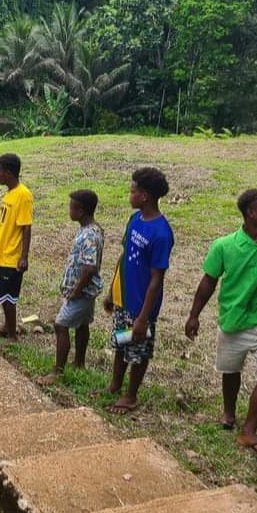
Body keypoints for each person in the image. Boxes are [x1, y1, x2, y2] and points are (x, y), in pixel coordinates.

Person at [185, 189, 257, 456]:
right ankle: (229, 413)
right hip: (234, 320)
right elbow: (208, 282)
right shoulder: (224, 245)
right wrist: (194, 315)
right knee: (230, 370)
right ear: (251, 214)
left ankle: (249, 430)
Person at [102, 167, 173, 414]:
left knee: (139, 350)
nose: (129, 195)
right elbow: (124, 256)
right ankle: (114, 385)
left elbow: (157, 279)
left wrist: (144, 317)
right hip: (124, 298)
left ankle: (131, 395)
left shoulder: (161, 233)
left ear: (145, 196)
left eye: (132, 191)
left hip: (142, 306)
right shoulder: (134, 220)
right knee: (122, 343)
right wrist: (113, 290)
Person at [39, 190, 104, 385]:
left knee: (61, 325)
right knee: (83, 324)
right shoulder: (89, 229)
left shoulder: (90, 235)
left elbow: (89, 268)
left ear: (81, 210)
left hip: (82, 292)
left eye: (71, 207)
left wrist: (75, 292)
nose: (69, 211)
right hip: (84, 291)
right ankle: (79, 362)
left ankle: (58, 371)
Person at [0, 154, 33, 340]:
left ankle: (13, 335)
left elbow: (26, 227)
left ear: (7, 172)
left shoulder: (23, 195)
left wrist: (24, 257)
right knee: (2, 294)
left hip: (11, 255)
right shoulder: (8, 194)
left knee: (8, 297)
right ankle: (7, 326)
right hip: (0, 252)